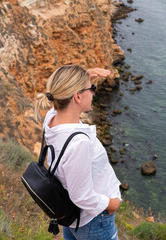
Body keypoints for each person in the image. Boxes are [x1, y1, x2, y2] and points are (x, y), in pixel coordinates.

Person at [34, 65, 121, 240]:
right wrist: (112, 204)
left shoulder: (51, 119)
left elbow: (60, 99)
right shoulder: (78, 142)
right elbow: (81, 196)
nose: (94, 93)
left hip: (74, 219)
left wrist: (83, 77)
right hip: (94, 220)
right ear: (77, 96)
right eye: (92, 88)